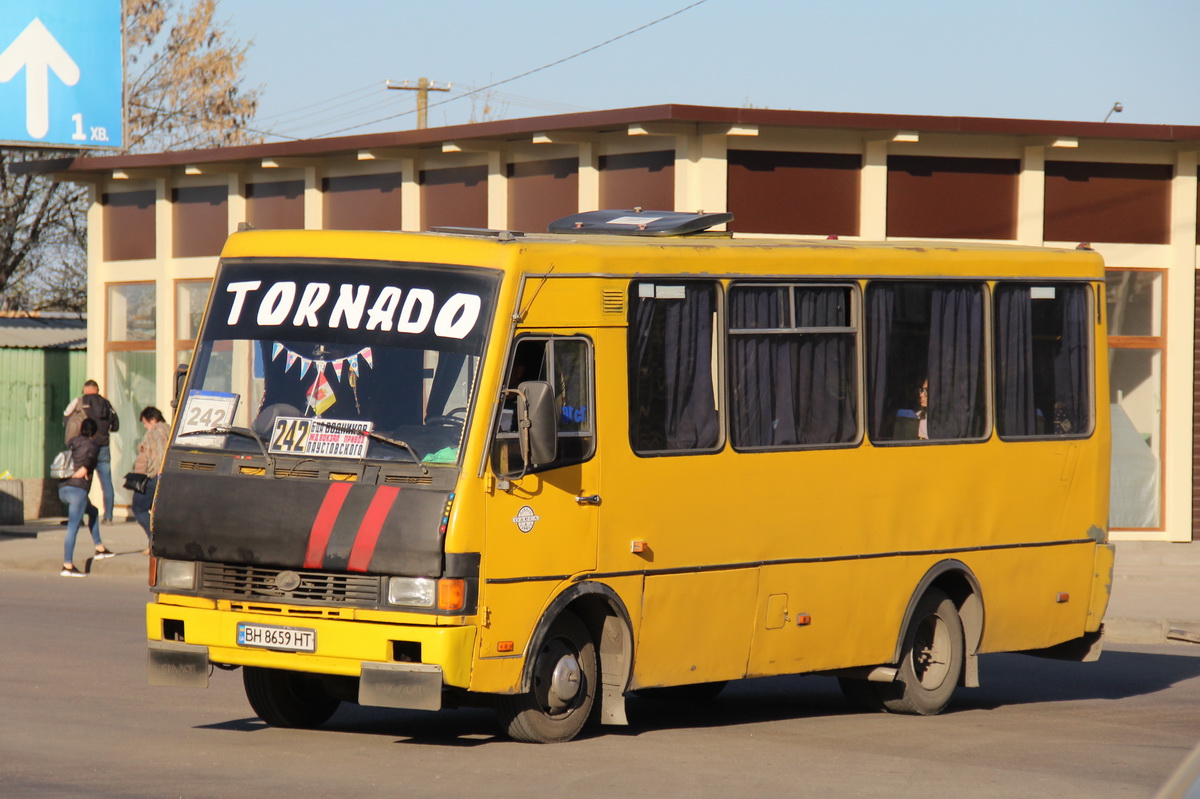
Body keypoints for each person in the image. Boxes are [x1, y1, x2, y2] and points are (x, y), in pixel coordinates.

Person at [59, 417, 116, 576]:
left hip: (63, 489)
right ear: (94, 432)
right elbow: (90, 460)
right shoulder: (93, 446)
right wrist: (83, 471)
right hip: (77, 490)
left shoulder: (72, 442)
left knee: (92, 511)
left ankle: (99, 548)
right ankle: (67, 565)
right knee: (73, 527)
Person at [63, 380, 120, 523]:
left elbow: (65, 419)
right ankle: (108, 517)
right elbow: (116, 425)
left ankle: (79, 517)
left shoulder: (79, 401)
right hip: (104, 447)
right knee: (107, 483)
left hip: (85, 448)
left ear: (84, 389)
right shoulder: (107, 403)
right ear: (97, 389)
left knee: (82, 482)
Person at [131, 407, 170, 552]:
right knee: (154, 510)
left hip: (154, 476)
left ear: (153, 420)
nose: (145, 427)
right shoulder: (168, 428)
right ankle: (154, 541)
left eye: (146, 423)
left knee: (139, 508)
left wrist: (157, 473)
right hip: (161, 476)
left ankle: (154, 540)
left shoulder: (157, 431)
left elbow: (160, 453)